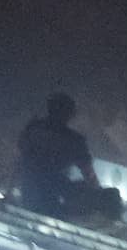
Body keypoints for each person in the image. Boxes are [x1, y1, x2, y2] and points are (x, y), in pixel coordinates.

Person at [12, 90, 108, 220]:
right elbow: (89, 174)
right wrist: (101, 199)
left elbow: (18, 162)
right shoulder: (74, 141)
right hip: (49, 196)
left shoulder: (34, 128)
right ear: (70, 114)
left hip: (31, 192)